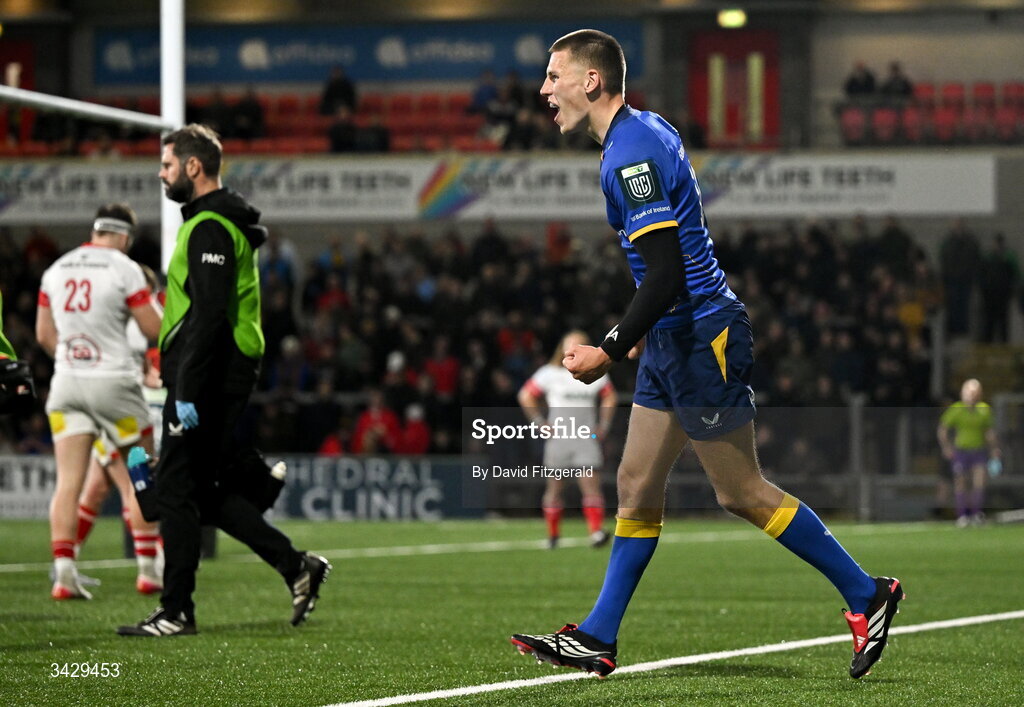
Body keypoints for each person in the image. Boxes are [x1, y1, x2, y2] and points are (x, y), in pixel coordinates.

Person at [510, 29, 903, 681]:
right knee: (635, 484)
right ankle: (599, 635)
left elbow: (665, 273)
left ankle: (869, 593)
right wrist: (643, 325)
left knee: (741, 491)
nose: (544, 89)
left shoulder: (626, 156)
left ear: (591, 81)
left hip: (701, 333)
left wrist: (609, 346)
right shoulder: (645, 129)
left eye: (555, 76)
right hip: (673, 332)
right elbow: (669, 263)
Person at [117, 124, 330, 637]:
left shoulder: (210, 226)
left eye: (167, 166)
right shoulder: (214, 223)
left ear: (193, 167)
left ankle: (177, 611)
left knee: (174, 489)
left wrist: (185, 391)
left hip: (210, 374)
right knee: (195, 491)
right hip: (214, 371)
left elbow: (209, 316)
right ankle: (295, 564)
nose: (162, 174)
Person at [35, 204, 164, 599]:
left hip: (67, 386)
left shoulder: (56, 269)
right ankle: (148, 570)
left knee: (69, 482)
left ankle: (64, 574)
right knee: (140, 477)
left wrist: (74, 358)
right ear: (124, 236)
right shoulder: (124, 267)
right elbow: (151, 327)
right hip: (114, 387)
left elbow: (43, 334)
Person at [518, 330, 616, 549]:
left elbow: (610, 395)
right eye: (568, 343)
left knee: (591, 486)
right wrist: (539, 423)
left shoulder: (594, 371)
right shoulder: (549, 373)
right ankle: (553, 535)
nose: (572, 348)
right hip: (559, 437)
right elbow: (526, 395)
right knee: (555, 489)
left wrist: (603, 426)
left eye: (578, 344)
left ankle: (596, 532)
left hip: (585, 437)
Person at [937, 379, 1000, 527]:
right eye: (969, 392)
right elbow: (943, 429)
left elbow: (989, 432)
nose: (972, 395)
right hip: (961, 451)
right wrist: (946, 447)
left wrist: (994, 449)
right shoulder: (956, 409)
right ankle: (963, 515)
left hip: (979, 450)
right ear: (963, 393)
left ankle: (976, 513)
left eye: (975, 392)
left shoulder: (984, 410)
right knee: (961, 483)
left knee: (979, 482)